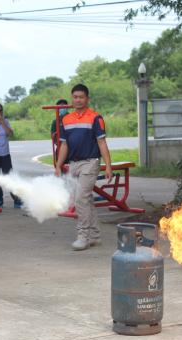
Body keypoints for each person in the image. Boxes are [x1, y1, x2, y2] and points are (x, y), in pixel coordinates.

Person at [55, 84, 113, 251]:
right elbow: (64, 145)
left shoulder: (95, 118)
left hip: (91, 162)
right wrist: (59, 165)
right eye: (75, 97)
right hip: (73, 164)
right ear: (72, 99)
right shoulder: (66, 120)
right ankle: (95, 236)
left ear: (87, 99)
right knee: (86, 200)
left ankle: (83, 236)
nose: (78, 100)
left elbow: (102, 143)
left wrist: (108, 166)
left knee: (80, 198)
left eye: (81, 97)